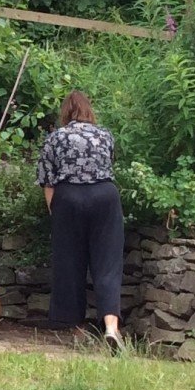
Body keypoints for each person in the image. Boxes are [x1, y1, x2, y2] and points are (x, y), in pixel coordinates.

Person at [36, 90, 125, 347]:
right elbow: (108, 165)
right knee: (108, 262)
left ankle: (76, 328)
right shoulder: (105, 135)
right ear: (89, 111)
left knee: (70, 262)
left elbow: (47, 179)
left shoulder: (55, 138)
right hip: (105, 196)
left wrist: (57, 211)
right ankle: (111, 328)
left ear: (65, 112)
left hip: (69, 197)